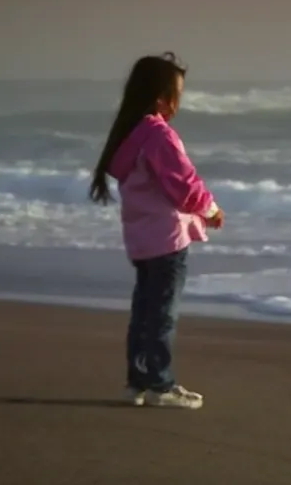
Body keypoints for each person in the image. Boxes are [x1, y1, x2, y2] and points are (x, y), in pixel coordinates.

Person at [88, 52, 224, 409]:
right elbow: (184, 185)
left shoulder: (130, 136)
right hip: (168, 239)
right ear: (162, 99)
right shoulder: (159, 135)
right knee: (163, 315)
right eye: (177, 94)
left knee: (144, 313)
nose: (179, 102)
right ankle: (161, 385)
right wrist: (210, 209)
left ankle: (137, 382)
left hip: (142, 240)